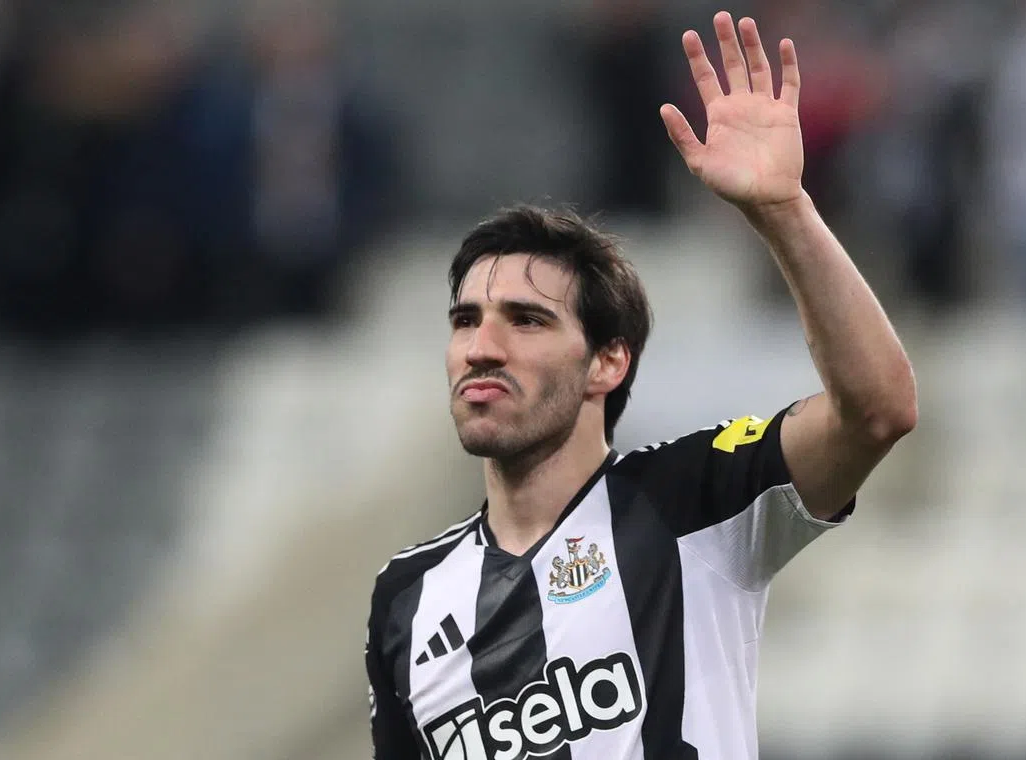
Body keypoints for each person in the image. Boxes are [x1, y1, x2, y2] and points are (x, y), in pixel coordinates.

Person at [365, 12, 917, 759]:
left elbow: (877, 411)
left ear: (608, 362)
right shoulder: (408, 595)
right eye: (466, 321)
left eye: (526, 321)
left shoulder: (687, 498)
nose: (481, 348)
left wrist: (783, 213)